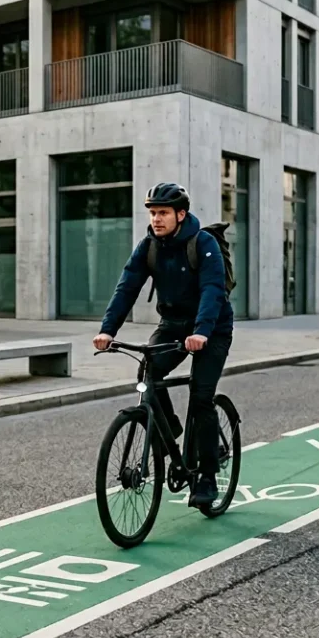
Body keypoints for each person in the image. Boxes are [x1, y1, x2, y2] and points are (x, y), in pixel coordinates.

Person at [92, 181, 235, 507]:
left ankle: (208, 477)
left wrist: (200, 332)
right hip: (172, 325)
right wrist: (107, 330)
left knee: (201, 398)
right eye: (153, 213)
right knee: (147, 374)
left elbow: (214, 290)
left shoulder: (204, 243)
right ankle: (168, 425)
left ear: (181, 214)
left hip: (212, 329)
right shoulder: (150, 247)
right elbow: (126, 287)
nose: (156, 219)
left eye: (163, 213)